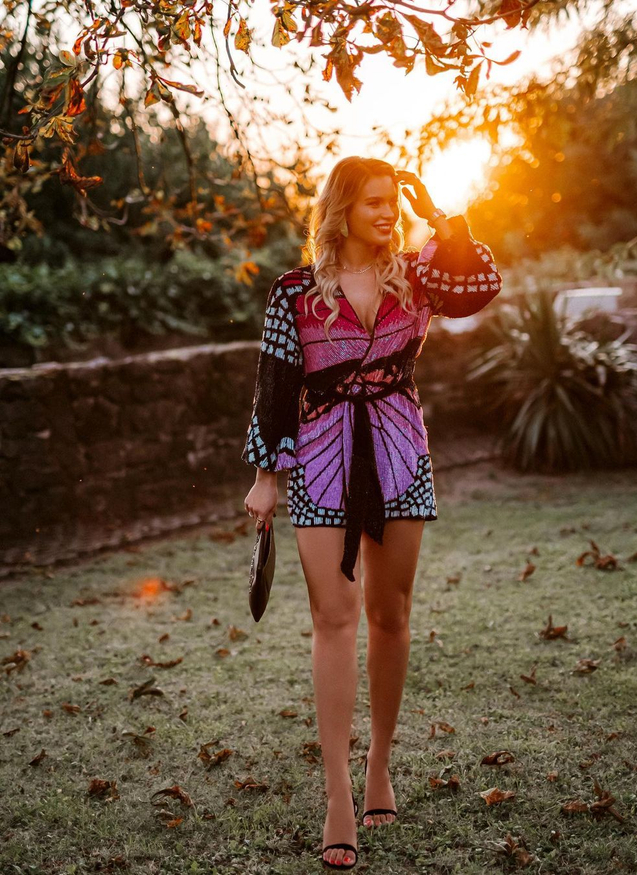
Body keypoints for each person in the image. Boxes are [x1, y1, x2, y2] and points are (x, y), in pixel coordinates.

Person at [242, 156, 502, 870]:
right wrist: (265, 477)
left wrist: (441, 217)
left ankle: (379, 764)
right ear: (342, 210)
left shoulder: (418, 276)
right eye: (375, 203)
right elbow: (275, 385)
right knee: (333, 617)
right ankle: (336, 793)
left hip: (398, 452)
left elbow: (479, 285)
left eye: (394, 202)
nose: (389, 213)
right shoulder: (294, 290)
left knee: (391, 614)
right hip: (321, 457)